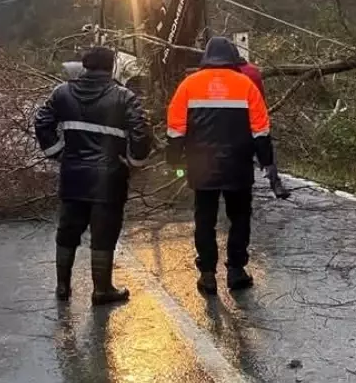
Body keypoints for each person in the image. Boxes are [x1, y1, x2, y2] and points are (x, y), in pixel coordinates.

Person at [34, 46, 153, 305]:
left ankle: (62, 286)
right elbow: (142, 132)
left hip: (73, 175)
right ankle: (101, 290)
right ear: (112, 67)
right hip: (109, 178)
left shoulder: (62, 93)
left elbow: (41, 121)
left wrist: (58, 153)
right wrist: (134, 161)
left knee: (67, 231)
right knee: (104, 233)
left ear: (84, 66)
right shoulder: (124, 97)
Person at [166, 36, 274, 296]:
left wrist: (175, 161)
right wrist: (267, 162)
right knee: (239, 218)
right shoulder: (246, 84)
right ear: (233, 58)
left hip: (201, 164)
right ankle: (236, 271)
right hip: (238, 164)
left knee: (205, 219)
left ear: (206, 58)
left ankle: (207, 275)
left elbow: (175, 128)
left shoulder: (189, 85)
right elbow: (261, 129)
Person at [234, 53, 290, 200]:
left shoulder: (231, 74)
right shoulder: (253, 70)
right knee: (265, 150)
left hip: (236, 118)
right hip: (257, 116)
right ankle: (275, 184)